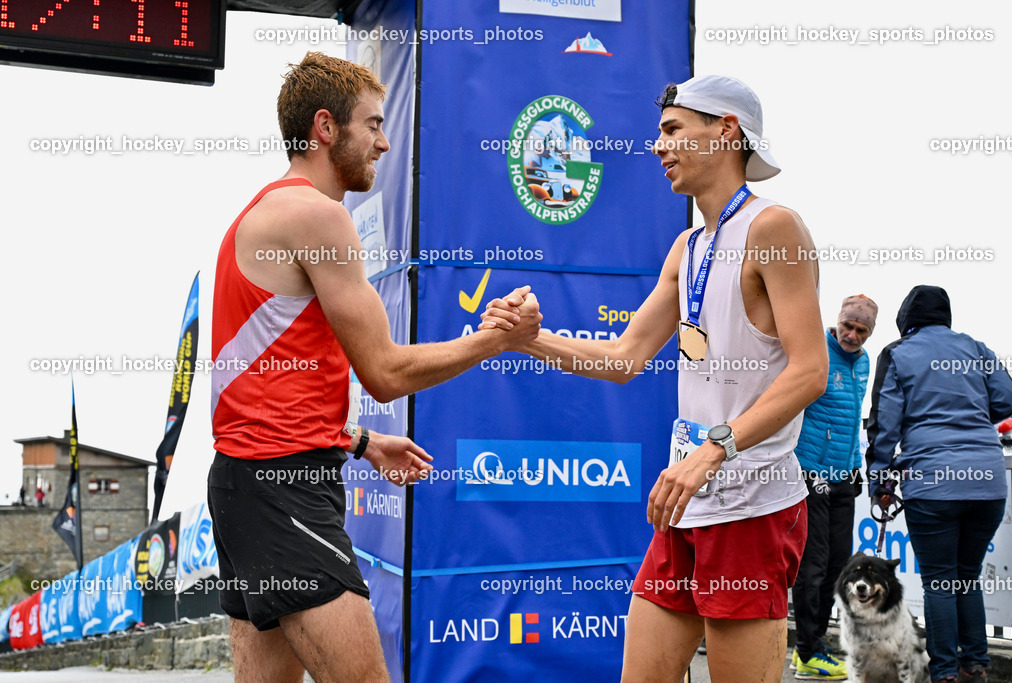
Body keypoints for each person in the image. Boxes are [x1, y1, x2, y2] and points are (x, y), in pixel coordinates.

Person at [207, 52, 541, 683]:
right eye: (374, 125)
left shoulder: (267, 210)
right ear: (327, 128)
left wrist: (358, 439)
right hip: (284, 490)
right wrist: (496, 339)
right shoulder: (317, 215)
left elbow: (266, 386)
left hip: (246, 482)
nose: (386, 142)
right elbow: (385, 372)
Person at [483, 74, 827, 682]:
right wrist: (526, 339)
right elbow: (623, 359)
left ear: (726, 131)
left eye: (672, 130)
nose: (657, 145)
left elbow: (809, 372)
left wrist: (713, 450)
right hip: (686, 500)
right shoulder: (687, 246)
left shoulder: (774, 228)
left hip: (749, 506)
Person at [866, 285, 1012, 683]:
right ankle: (976, 666)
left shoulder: (898, 354)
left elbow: (884, 425)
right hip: (987, 480)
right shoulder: (976, 348)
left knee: (939, 581)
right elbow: (1009, 399)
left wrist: (879, 482)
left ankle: (946, 673)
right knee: (966, 576)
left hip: (933, 481)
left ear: (906, 321)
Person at [791, 294, 877, 680]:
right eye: (848, 325)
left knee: (838, 567)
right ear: (837, 321)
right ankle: (806, 649)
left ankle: (815, 646)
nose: (852, 335)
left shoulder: (863, 362)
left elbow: (852, 418)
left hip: (844, 475)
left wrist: (856, 466)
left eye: (861, 330)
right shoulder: (817, 349)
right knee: (812, 566)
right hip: (812, 472)